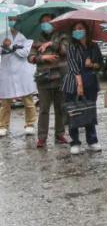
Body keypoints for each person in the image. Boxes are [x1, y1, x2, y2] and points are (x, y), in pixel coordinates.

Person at [62, 21, 103, 154]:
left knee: (89, 110)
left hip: (91, 82)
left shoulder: (94, 46)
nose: (77, 31)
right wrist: (79, 84)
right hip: (73, 83)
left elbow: (100, 64)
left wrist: (92, 65)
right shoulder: (71, 46)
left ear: (86, 30)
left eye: (80, 28)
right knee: (74, 112)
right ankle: (75, 142)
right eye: (75, 29)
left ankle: (92, 140)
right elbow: (73, 67)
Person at [28, 13, 67, 148]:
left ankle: (60, 134)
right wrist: (43, 58)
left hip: (60, 78)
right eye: (43, 22)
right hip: (43, 79)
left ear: (54, 22)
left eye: (49, 21)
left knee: (60, 108)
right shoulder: (37, 39)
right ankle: (42, 138)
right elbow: (30, 57)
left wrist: (51, 43)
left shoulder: (62, 36)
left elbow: (65, 51)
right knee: (44, 109)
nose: (46, 24)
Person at [0, 19, 38, 138]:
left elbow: (25, 53)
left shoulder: (27, 36)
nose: (13, 22)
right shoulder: (2, 35)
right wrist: (4, 47)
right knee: (5, 102)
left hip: (22, 72)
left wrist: (11, 46)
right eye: (10, 19)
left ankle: (30, 124)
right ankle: (3, 126)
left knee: (28, 100)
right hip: (7, 72)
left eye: (15, 19)